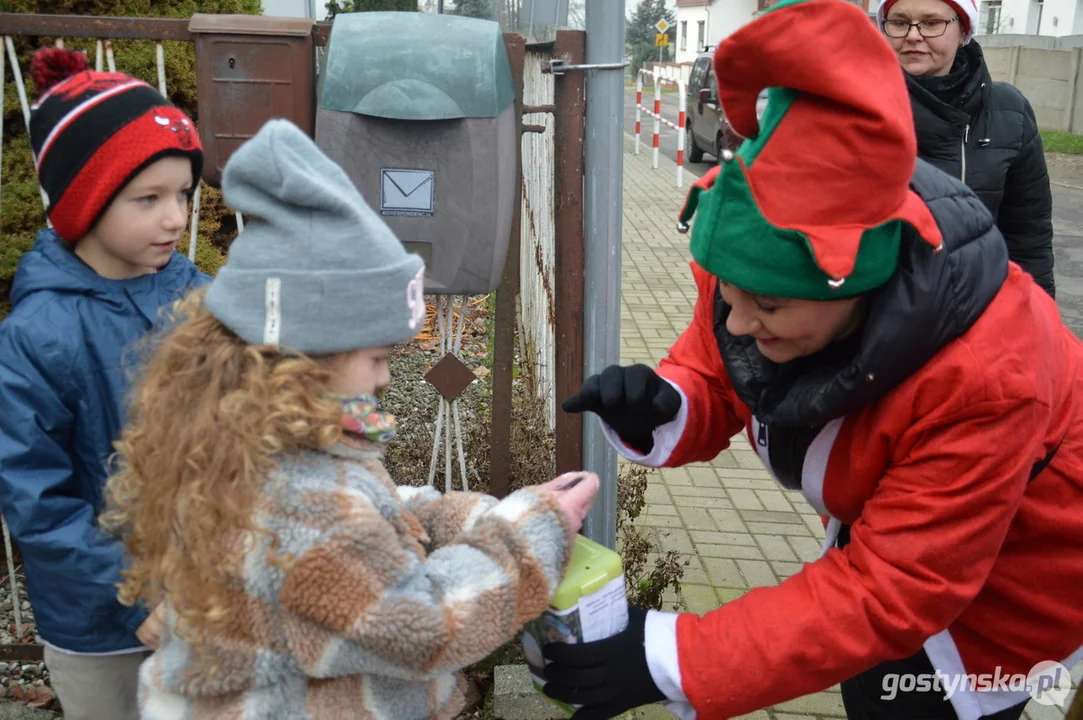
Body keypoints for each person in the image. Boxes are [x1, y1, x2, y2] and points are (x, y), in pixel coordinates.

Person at [541, 0, 1083, 719]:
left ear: (851, 278)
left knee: (907, 700)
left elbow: (892, 591)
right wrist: (671, 402)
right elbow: (723, 359)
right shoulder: (765, 272)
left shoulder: (989, 377)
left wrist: (677, 657)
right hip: (906, 534)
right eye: (727, 294)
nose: (737, 319)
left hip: (1017, 574)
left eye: (762, 307)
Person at [100, 119, 600, 719]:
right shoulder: (299, 499)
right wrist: (528, 536)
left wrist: (472, 516)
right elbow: (421, 627)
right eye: (377, 358)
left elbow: (373, 516)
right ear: (307, 357)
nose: (385, 378)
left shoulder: (262, 442)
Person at [0, 47, 207, 720]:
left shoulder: (205, 301)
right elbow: (35, 497)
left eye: (182, 194)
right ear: (84, 199)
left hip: (212, 599)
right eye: (147, 199)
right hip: (102, 629)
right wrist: (133, 589)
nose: (175, 218)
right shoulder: (37, 335)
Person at [878, 0, 1056, 297]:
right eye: (898, 22)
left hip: (978, 314)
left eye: (932, 23)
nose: (912, 35)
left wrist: (1037, 318)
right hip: (874, 319)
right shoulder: (854, 108)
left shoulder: (1008, 111)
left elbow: (1028, 239)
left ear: (963, 32)